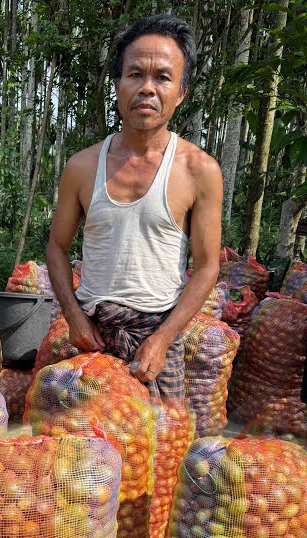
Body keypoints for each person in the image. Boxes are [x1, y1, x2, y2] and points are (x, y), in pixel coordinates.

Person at [47, 14, 222, 402]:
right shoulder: (82, 166)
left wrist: (162, 339)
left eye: (162, 77)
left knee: (158, 454)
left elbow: (208, 266)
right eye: (134, 74)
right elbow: (56, 247)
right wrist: (74, 317)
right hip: (93, 335)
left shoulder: (200, 171)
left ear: (181, 93)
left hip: (159, 339)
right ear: (117, 84)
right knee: (83, 456)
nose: (147, 88)